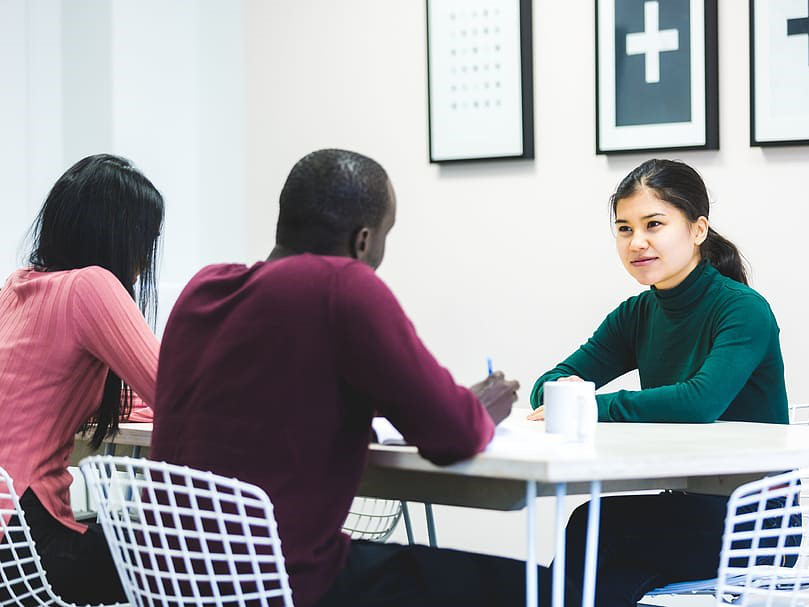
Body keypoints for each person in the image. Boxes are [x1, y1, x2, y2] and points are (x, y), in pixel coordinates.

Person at [150, 149, 536, 607]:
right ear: (363, 240)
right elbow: (451, 434)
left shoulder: (204, 288)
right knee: (544, 589)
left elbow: (284, 391)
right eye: (386, 237)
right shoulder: (341, 285)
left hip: (169, 581)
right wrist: (481, 409)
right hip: (280, 583)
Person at [528, 158, 794, 606]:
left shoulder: (742, 309)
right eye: (624, 228)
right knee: (602, 557)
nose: (638, 242)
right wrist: (568, 396)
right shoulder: (637, 314)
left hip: (761, 525)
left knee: (598, 528)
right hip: (689, 510)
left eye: (654, 224)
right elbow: (549, 384)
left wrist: (592, 406)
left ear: (697, 229)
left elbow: (698, 403)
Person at [0, 154, 164, 604]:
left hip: (10, 536)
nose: (145, 259)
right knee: (181, 558)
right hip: (23, 545)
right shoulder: (90, 287)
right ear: (121, 239)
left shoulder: (15, 290)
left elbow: (42, 388)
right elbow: (178, 393)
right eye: (144, 242)